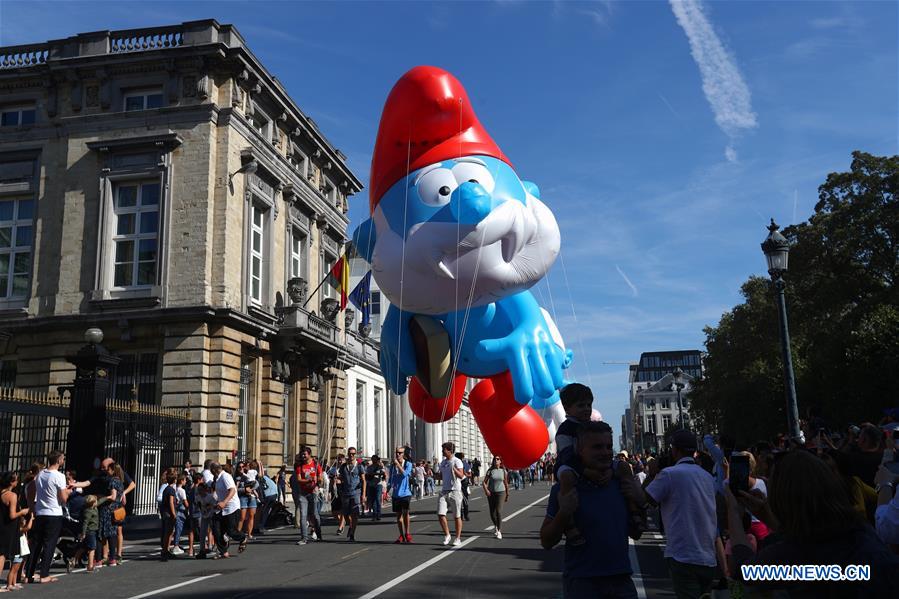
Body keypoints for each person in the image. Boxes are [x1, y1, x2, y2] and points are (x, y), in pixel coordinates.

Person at [727, 449, 899, 595]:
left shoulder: (793, 557)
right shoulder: (860, 531)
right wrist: (768, 517)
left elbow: (745, 572)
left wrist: (734, 512)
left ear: (782, 498)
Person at [540, 421, 640, 598]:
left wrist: (639, 499)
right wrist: (564, 513)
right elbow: (547, 541)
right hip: (583, 583)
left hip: (622, 581)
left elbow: (637, 532)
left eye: (609, 447)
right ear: (579, 450)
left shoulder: (621, 484)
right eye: (597, 447)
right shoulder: (564, 489)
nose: (606, 452)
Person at [644, 430, 718, 599]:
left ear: (675, 450)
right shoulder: (707, 476)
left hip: (682, 554)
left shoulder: (669, 474)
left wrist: (652, 474)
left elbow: (647, 498)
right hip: (708, 556)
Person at [26, 449, 70, 584]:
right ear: (58, 460)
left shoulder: (40, 474)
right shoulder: (59, 476)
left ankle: (29, 574)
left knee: (36, 544)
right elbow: (63, 499)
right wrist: (68, 491)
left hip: (40, 513)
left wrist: (33, 508)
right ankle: (44, 574)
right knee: (49, 544)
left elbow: (31, 491)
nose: (63, 460)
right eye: (62, 458)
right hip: (53, 514)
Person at [210, 462, 248, 557]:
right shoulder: (218, 479)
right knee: (216, 530)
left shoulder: (225, 476)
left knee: (231, 531)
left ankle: (243, 538)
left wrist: (224, 502)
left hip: (232, 507)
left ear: (214, 470)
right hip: (222, 509)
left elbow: (233, 490)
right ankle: (223, 551)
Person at [1, 472, 29, 589]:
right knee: (2, 555)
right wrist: (22, 512)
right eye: (16, 480)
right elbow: (12, 515)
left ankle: (11, 582)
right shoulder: (12, 495)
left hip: (2, 526)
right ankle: (10, 582)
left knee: (3, 555)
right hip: (9, 529)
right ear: (11, 482)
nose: (17, 482)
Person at [437, 442, 465, 546]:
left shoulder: (457, 461)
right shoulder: (443, 462)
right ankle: (447, 535)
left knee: (457, 516)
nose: (442, 451)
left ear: (449, 450)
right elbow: (441, 476)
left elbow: (462, 475)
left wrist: (454, 469)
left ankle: (457, 538)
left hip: (455, 491)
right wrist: (433, 475)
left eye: (444, 449)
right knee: (440, 514)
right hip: (444, 491)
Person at [335, 448, 365, 542]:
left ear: (355, 454)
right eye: (350, 454)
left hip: (356, 492)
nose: (351, 455)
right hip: (345, 493)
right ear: (348, 454)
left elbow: (363, 480)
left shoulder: (359, 466)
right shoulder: (343, 466)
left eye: (353, 454)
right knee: (346, 514)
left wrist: (363, 494)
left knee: (354, 514)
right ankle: (350, 526)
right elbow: (341, 478)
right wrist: (338, 481)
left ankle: (352, 534)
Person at [294, 448, 322, 545]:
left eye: (305, 454)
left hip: (313, 492)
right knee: (303, 515)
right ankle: (304, 538)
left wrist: (318, 480)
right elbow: (299, 479)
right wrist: (308, 481)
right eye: (302, 454)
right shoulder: (299, 466)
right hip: (303, 493)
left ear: (309, 454)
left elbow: (320, 478)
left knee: (315, 515)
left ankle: (319, 534)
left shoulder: (316, 464)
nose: (303, 456)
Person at [72, 494, 103, 572]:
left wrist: (108, 497)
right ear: (92, 503)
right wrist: (83, 533)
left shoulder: (93, 507)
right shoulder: (88, 511)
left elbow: (100, 501)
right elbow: (85, 523)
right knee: (92, 548)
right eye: (95, 501)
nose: (97, 502)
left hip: (91, 531)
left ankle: (73, 560)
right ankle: (90, 566)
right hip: (90, 532)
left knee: (84, 547)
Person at [389, 447, 413, 543]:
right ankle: (401, 535)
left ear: (403, 454)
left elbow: (405, 474)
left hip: (406, 493)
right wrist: (387, 490)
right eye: (397, 452)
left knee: (406, 513)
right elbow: (391, 479)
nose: (398, 454)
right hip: (396, 494)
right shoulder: (392, 466)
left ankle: (407, 533)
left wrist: (398, 464)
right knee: (398, 517)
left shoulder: (408, 464)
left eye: (400, 453)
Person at [483, 456, 509, 539]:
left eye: (497, 459)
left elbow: (506, 483)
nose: (496, 460)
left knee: (498, 511)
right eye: (494, 459)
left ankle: (499, 530)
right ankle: (496, 526)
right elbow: (484, 482)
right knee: (492, 513)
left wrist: (507, 494)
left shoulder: (503, 471)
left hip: (501, 492)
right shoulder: (490, 471)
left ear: (500, 461)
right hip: (491, 493)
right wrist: (486, 490)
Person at [159, 471, 177, 561]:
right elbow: (171, 502)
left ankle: (166, 550)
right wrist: (174, 514)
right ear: (174, 480)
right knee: (169, 532)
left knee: (168, 532)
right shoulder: (171, 490)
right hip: (169, 513)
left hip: (165, 513)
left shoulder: (166, 489)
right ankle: (165, 550)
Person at [365, 455, 387, 522]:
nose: (374, 460)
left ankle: (378, 514)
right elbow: (367, 475)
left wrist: (381, 475)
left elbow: (384, 474)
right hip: (371, 484)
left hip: (378, 484)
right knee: (373, 500)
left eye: (375, 459)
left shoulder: (380, 467)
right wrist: (370, 475)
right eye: (373, 459)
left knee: (378, 499)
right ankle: (374, 515)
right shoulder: (369, 467)